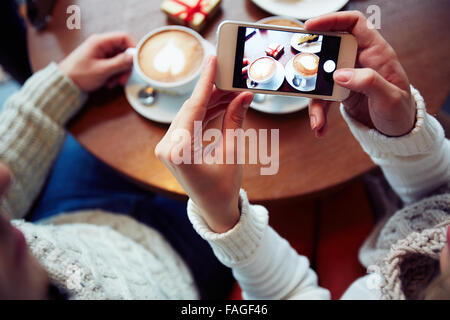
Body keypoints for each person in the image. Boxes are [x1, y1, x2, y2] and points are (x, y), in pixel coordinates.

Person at [155, 11, 450, 299]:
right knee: (324, 200)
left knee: (305, 206)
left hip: (375, 256)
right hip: (392, 226)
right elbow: (440, 200)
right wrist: (402, 133)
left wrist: (224, 216)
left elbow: (287, 292)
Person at [0, 32, 236, 299]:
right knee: (244, 176)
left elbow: (7, 173)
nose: (4, 176)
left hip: (71, 216)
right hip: (176, 264)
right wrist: (228, 221)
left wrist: (65, 81)